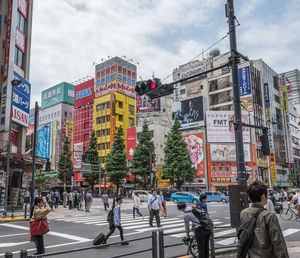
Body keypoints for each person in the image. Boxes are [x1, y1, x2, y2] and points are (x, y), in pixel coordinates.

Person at [240, 181, 288, 257]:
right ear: (263, 196)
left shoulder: (243, 213)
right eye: (267, 195)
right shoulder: (269, 215)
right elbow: (278, 242)